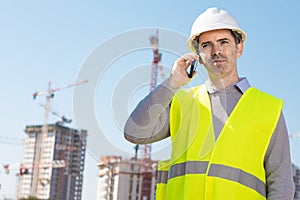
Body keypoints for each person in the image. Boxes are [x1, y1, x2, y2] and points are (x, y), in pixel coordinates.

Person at [124, 7, 295, 200]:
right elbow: (134, 132)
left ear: (239, 48)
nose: (216, 51)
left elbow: (281, 183)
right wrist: (173, 82)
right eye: (206, 45)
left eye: (224, 42)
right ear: (198, 56)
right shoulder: (183, 103)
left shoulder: (268, 108)